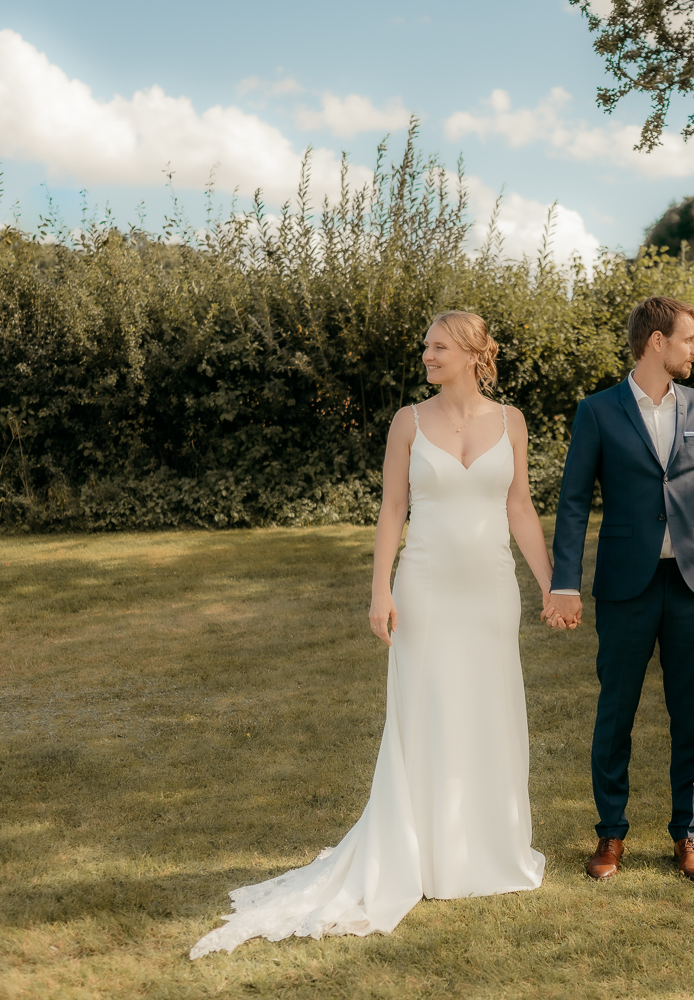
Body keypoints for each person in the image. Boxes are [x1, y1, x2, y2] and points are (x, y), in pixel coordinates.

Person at [191, 311, 553, 957]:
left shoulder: (512, 421)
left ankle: (486, 849)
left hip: (491, 592)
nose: (426, 356)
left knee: (489, 710)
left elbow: (519, 505)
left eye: (437, 347)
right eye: (425, 347)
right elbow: (392, 509)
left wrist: (553, 585)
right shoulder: (408, 422)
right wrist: (380, 590)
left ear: (473, 353)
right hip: (425, 588)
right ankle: (422, 853)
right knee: (426, 713)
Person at [546, 295, 694, 883]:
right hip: (624, 586)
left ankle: (688, 834)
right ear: (657, 341)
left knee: (691, 715)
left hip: (691, 583)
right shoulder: (597, 411)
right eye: (688, 339)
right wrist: (564, 583)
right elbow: (573, 503)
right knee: (616, 712)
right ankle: (610, 833)